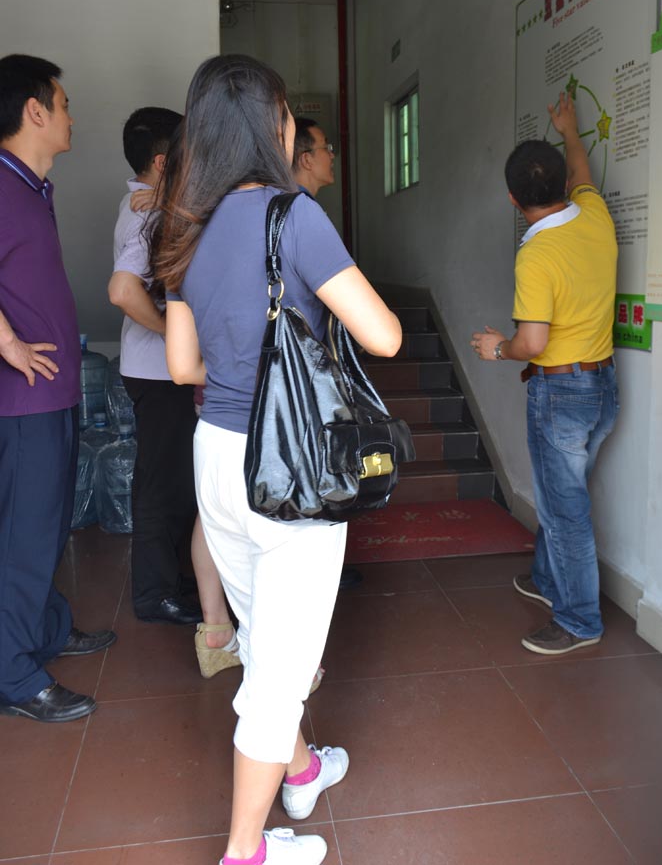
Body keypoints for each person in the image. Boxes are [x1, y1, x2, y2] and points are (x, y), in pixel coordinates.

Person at [153, 54, 401, 865]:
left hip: (217, 455)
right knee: (278, 673)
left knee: (265, 635)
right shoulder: (294, 218)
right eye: (289, 113)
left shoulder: (182, 227)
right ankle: (245, 851)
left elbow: (183, 367)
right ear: (274, 125)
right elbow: (384, 335)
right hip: (290, 459)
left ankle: (301, 772)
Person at [471, 91, 619, 656]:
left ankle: (579, 621)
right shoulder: (595, 214)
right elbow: (582, 171)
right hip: (604, 386)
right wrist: (571, 131)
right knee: (565, 497)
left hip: (561, 392)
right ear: (564, 185)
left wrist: (496, 349)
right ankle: (546, 579)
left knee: (564, 511)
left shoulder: (535, 255)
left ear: (513, 200)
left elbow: (532, 343)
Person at [0, 54, 116, 724]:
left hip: (55, 396)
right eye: (64, 104)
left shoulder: (32, 188)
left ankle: (44, 631)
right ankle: (14, 675)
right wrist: (9, 343)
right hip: (22, 403)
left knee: (47, 526)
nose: (72, 116)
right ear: (35, 111)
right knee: (24, 532)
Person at [109, 107, 206, 625]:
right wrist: (173, 332)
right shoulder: (146, 213)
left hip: (157, 368)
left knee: (173, 477)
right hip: (157, 368)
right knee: (160, 483)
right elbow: (123, 291)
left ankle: (173, 579)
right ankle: (155, 594)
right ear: (165, 162)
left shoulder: (150, 204)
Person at [292, 117, 363, 592]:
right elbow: (381, 334)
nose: (331, 155)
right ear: (304, 157)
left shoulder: (293, 209)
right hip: (304, 369)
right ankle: (315, 573)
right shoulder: (301, 213)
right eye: (325, 147)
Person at [292, 117, 335, 199]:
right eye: (326, 148)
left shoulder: (279, 199)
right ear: (307, 160)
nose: (332, 155)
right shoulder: (303, 205)